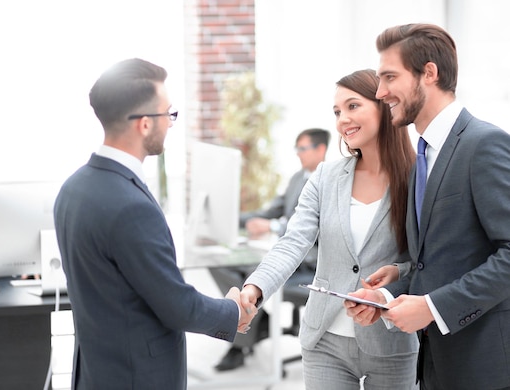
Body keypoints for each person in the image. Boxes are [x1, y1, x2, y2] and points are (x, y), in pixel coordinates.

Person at [53, 58, 255, 390]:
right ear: (145, 124)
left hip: (97, 372)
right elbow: (176, 306)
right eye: (169, 114)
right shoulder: (130, 206)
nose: (171, 124)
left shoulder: (73, 188)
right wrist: (232, 311)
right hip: (137, 377)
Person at [346, 23, 510, 390]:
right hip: (438, 365)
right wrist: (386, 296)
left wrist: (433, 308)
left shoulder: (484, 145)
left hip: (487, 368)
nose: (380, 91)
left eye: (389, 77)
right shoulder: (421, 156)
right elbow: (441, 260)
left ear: (429, 73)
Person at [240, 69, 419, 389]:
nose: (342, 120)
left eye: (352, 107)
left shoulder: (417, 178)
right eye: (337, 112)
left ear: (382, 105)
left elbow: (426, 259)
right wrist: (254, 290)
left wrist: (391, 280)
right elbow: (292, 242)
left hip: (391, 343)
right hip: (325, 342)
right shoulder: (325, 177)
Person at [210, 128, 330, 371]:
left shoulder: (330, 179)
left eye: (303, 149)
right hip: (285, 254)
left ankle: (241, 342)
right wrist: (230, 217)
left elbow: (316, 225)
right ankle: (257, 321)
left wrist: (274, 226)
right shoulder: (298, 178)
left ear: (321, 149)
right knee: (220, 262)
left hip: (309, 263)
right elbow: (269, 211)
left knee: (255, 272)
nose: (298, 154)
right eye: (296, 149)